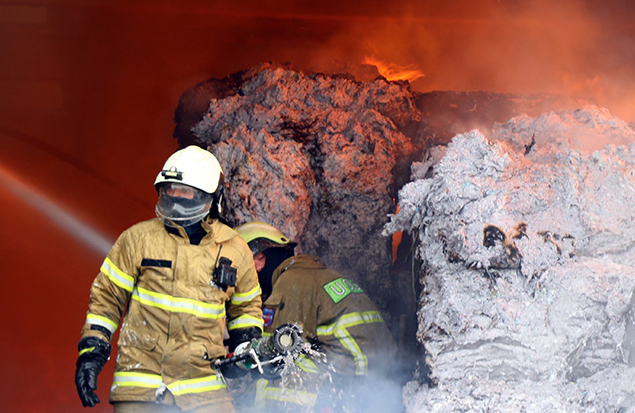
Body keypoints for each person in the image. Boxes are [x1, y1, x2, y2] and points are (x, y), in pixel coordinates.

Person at [74, 145, 264, 412]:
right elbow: (106, 299)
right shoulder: (138, 240)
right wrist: (92, 353)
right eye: (169, 190)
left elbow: (246, 309)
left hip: (205, 392)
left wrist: (245, 346)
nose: (175, 198)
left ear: (211, 197)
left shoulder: (235, 249)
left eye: (185, 192)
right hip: (142, 389)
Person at [235, 221, 399, 412]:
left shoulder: (290, 283)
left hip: (350, 378)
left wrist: (239, 356)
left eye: (257, 260)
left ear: (270, 256)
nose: (254, 271)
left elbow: (271, 351)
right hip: (382, 377)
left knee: (275, 371)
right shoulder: (324, 277)